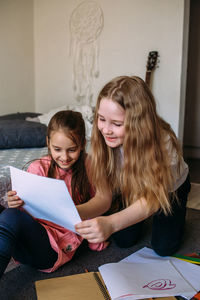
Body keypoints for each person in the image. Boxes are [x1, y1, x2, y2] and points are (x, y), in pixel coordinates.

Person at [75, 75, 191, 256]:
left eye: (117, 123)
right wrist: (75, 213)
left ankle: (178, 215)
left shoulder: (163, 144)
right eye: (101, 119)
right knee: (123, 240)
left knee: (164, 249)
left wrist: (111, 223)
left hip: (169, 191)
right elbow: (103, 198)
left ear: (138, 123)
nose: (106, 129)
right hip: (132, 186)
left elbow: (152, 200)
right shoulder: (101, 140)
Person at [0, 110, 109, 278]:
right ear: (48, 143)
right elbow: (24, 214)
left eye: (72, 150)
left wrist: (94, 237)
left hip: (54, 249)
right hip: (27, 240)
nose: (64, 157)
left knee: (11, 217)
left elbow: (97, 204)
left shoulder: (89, 166)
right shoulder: (37, 167)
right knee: (10, 214)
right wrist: (14, 202)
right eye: (57, 149)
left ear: (82, 144)